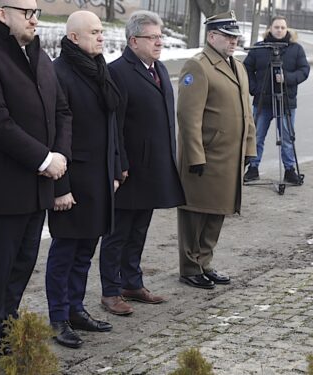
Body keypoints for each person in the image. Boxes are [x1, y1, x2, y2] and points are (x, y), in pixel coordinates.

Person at [0, 0, 71, 372]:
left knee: (20, 270)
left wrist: (60, 157)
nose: (35, 19)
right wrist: (43, 158)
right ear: (2, 13)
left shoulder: (39, 56)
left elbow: (62, 112)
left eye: (36, 12)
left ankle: (5, 339)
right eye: (27, 12)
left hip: (35, 190)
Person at [99, 10, 185, 315]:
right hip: (128, 169)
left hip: (154, 167)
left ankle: (132, 283)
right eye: (153, 37)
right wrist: (118, 165)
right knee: (117, 233)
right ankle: (110, 291)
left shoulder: (158, 69)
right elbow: (114, 126)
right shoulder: (118, 72)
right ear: (134, 40)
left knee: (139, 230)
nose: (159, 41)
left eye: (161, 36)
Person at [45, 10, 122, 349]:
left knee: (85, 252)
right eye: (94, 32)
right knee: (64, 253)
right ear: (74, 37)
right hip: (72, 180)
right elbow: (52, 134)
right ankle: (58, 318)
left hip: (99, 178)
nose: (101, 36)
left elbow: (111, 123)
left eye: (102, 30)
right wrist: (60, 187)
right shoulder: (58, 72)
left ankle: (76, 309)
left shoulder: (98, 69)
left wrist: (116, 167)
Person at [176, 10, 256, 289]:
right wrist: (195, 155)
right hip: (206, 156)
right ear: (212, 37)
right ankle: (189, 266)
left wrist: (249, 148)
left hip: (229, 157)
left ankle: (204, 262)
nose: (233, 42)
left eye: (235, 37)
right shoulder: (198, 66)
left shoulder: (238, 67)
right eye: (227, 36)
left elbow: (247, 113)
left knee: (217, 211)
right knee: (195, 212)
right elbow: (188, 117)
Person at [243, 15, 310, 184]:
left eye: (282, 27)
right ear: (270, 29)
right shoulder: (259, 48)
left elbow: (304, 70)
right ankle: (253, 168)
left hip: (286, 102)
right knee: (256, 136)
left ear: (287, 29)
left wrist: (287, 78)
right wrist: (253, 88)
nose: (279, 30)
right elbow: (246, 68)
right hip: (262, 101)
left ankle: (289, 170)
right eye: (276, 27)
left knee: (287, 138)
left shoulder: (296, 49)